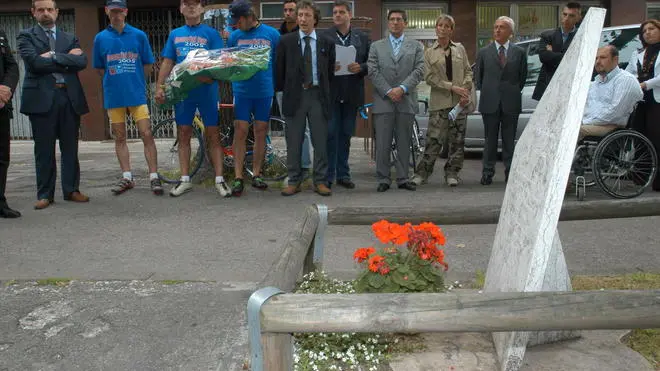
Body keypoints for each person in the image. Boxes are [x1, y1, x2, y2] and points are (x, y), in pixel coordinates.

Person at [18, 0, 90, 210]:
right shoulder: (26, 36)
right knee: (44, 150)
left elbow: (81, 62)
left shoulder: (70, 37)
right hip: (41, 100)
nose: (46, 13)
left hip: (68, 98)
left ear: (57, 12)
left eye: (50, 10)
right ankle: (45, 194)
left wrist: (52, 55)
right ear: (33, 13)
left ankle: (71, 190)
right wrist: (66, 59)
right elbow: (34, 63)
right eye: (41, 10)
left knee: (70, 147)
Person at [155, 0, 230, 197]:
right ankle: (185, 179)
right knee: (183, 133)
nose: (191, 7)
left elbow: (218, 62)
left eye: (195, 4)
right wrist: (159, 86)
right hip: (183, 93)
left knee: (213, 134)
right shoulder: (175, 34)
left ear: (201, 9)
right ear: (180, 8)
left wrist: (210, 75)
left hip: (206, 91)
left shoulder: (211, 34)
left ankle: (220, 180)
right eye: (186, 4)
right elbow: (168, 61)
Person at [93, 0, 163, 196]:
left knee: (146, 134)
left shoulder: (139, 35)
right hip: (114, 96)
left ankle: (154, 176)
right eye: (113, 11)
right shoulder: (100, 38)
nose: (116, 15)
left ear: (125, 12)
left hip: (136, 95)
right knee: (120, 136)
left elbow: (148, 64)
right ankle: (127, 176)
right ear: (107, 12)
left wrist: (136, 81)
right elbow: (99, 68)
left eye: (120, 11)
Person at [275, 0, 335, 196]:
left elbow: (330, 72)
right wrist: (283, 95)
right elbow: (279, 72)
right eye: (300, 15)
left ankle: (320, 180)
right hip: (295, 96)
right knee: (294, 140)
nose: (302, 19)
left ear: (315, 19)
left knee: (320, 140)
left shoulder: (326, 42)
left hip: (318, 96)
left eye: (307, 15)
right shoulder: (286, 42)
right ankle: (294, 179)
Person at [226, 0, 280, 196]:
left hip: (264, 91)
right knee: (240, 131)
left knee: (260, 131)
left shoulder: (272, 34)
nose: (236, 24)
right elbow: (230, 62)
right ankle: (239, 177)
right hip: (241, 91)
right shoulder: (234, 36)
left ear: (249, 17)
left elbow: (277, 63)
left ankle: (257, 174)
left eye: (238, 20)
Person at [411, 15, 472, 188]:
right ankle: (422, 173)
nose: (443, 29)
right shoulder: (429, 53)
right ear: (436, 28)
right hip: (439, 103)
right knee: (433, 140)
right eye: (440, 25)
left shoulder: (460, 49)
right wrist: (452, 87)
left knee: (457, 141)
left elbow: (468, 71)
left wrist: (465, 87)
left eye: (447, 26)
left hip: (459, 103)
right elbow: (429, 78)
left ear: (451, 30)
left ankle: (452, 173)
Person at [367, 9, 424, 192]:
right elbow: (372, 70)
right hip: (384, 100)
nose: (395, 22)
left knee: (403, 141)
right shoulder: (377, 46)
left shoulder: (415, 46)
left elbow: (419, 70)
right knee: (383, 142)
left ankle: (402, 178)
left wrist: (402, 88)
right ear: (388, 23)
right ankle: (383, 178)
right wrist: (389, 90)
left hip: (406, 100)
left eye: (399, 19)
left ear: (405, 23)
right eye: (392, 19)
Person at [475, 16, 527, 185]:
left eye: (502, 27)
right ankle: (487, 173)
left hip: (510, 102)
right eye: (496, 27)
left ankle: (510, 172)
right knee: (489, 140)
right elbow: (479, 79)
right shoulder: (484, 52)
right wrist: (491, 91)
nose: (497, 30)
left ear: (510, 32)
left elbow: (522, 77)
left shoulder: (519, 53)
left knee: (509, 140)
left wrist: (509, 91)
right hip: (490, 102)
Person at [324, 0, 369, 190]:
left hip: (351, 94)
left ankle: (343, 174)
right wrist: (328, 67)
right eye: (334, 12)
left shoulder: (363, 37)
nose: (337, 15)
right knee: (331, 134)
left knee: (345, 135)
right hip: (331, 94)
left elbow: (371, 63)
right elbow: (317, 63)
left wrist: (361, 67)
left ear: (349, 15)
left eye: (341, 12)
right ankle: (328, 175)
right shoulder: (324, 36)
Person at [276, 0, 312, 179]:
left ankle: (304, 166)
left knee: (304, 129)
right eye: (285, 10)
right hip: (284, 89)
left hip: (305, 89)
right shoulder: (277, 35)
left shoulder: (307, 35)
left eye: (292, 10)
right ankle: (292, 167)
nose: (288, 13)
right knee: (289, 129)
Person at [580, 46, 642, 141]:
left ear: (615, 60)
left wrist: (585, 121)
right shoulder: (596, 83)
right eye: (596, 58)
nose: (598, 62)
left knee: (575, 132)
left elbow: (615, 113)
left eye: (603, 58)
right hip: (593, 122)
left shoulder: (625, 80)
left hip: (612, 127)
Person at [627, 19, 660, 191]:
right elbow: (630, 74)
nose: (647, 32)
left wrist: (645, 84)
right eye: (645, 30)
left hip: (657, 100)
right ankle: (641, 175)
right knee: (639, 136)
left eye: (652, 29)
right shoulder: (638, 53)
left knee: (657, 137)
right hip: (640, 100)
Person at [533, 2, 582, 101]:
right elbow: (543, 57)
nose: (567, 18)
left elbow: (578, 61)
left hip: (570, 87)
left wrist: (553, 53)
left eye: (571, 15)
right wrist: (568, 56)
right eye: (565, 14)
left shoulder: (582, 37)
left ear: (578, 18)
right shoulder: (547, 35)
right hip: (548, 85)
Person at [0, 28, 20, 218]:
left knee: (2, 157)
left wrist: (7, 87)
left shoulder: (1, 33)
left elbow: (11, 66)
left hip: (1, 104)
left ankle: (0, 202)